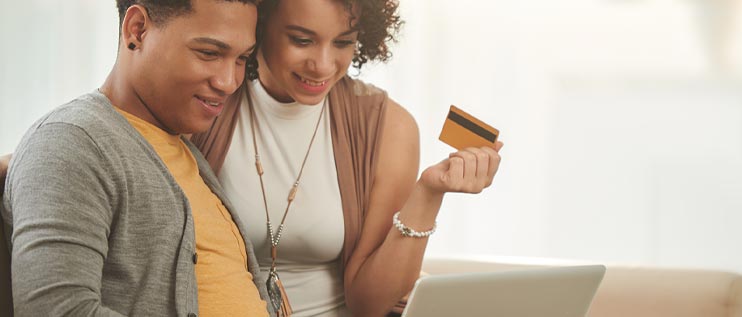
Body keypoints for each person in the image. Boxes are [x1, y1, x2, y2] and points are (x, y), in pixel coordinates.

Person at [190, 0, 504, 316]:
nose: (323, 64)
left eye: (343, 42)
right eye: (302, 40)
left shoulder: (389, 127)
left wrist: (428, 193)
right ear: (259, 26)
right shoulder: (204, 103)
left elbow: (370, 304)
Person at [0, 1, 271, 316]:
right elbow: (56, 310)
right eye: (209, 53)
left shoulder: (185, 151)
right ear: (137, 30)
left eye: (241, 58)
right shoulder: (70, 141)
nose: (228, 81)